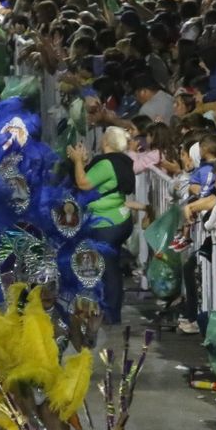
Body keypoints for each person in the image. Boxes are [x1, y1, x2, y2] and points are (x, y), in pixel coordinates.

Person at [68, 127, 135, 325]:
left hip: (108, 221)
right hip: (119, 218)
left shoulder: (107, 163)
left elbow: (83, 183)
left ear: (106, 141)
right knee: (109, 267)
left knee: (108, 269)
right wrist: (84, 161)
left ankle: (112, 313)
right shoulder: (121, 160)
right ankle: (109, 310)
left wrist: (78, 161)